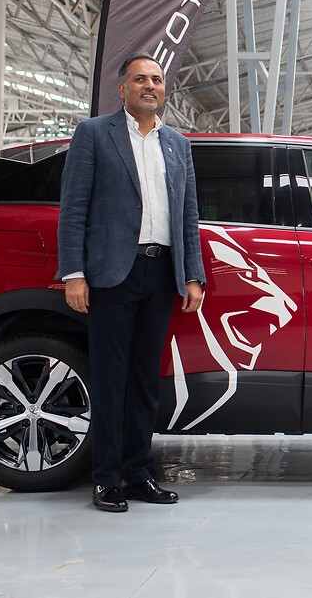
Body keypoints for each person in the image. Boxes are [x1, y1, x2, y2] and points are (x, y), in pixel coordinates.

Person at [58, 54, 205, 513]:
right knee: (109, 379)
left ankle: (139, 474)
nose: (150, 86)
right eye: (140, 79)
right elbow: (74, 208)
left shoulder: (178, 144)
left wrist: (193, 275)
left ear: (164, 91)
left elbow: (188, 214)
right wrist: (75, 273)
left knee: (144, 381)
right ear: (121, 89)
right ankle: (106, 479)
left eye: (157, 80)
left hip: (161, 275)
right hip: (111, 275)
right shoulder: (94, 135)